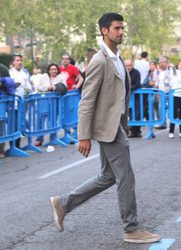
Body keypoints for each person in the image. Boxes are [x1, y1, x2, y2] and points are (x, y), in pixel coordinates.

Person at [50, 12, 161, 244]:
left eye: (122, 28)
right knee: (126, 177)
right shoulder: (100, 61)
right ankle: (131, 228)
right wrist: (84, 136)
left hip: (115, 125)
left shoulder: (117, 58)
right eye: (116, 28)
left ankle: (64, 203)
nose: (121, 32)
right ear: (104, 31)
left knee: (108, 176)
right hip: (107, 129)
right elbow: (87, 100)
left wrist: (123, 122)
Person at [34, 63, 68, 146]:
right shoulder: (44, 77)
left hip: (55, 102)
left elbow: (64, 87)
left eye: (55, 69)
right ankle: (39, 139)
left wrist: (55, 87)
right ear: (49, 70)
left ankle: (53, 138)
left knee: (52, 121)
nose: (53, 71)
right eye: (51, 69)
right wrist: (47, 88)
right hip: (43, 102)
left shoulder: (60, 77)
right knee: (40, 121)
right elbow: (38, 87)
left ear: (57, 70)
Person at [9, 54, 32, 148]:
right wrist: (14, 86)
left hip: (23, 102)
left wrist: (29, 88)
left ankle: (17, 145)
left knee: (20, 123)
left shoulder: (25, 73)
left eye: (21, 60)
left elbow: (29, 86)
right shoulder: (10, 73)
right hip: (12, 103)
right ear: (13, 62)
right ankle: (13, 146)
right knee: (13, 124)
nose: (20, 62)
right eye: (17, 60)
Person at [125, 59, 142, 138]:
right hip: (127, 97)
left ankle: (137, 131)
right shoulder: (123, 73)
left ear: (133, 65)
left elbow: (137, 84)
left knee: (137, 114)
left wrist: (128, 88)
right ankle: (131, 131)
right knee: (130, 114)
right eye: (126, 65)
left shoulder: (136, 72)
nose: (128, 67)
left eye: (130, 65)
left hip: (136, 97)